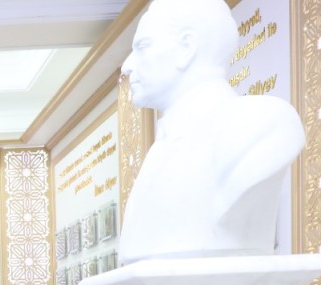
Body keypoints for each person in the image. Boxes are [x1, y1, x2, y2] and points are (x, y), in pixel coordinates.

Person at [117, 0, 306, 263]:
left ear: (186, 48)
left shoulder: (265, 123)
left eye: (142, 46)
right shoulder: (157, 153)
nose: (127, 66)